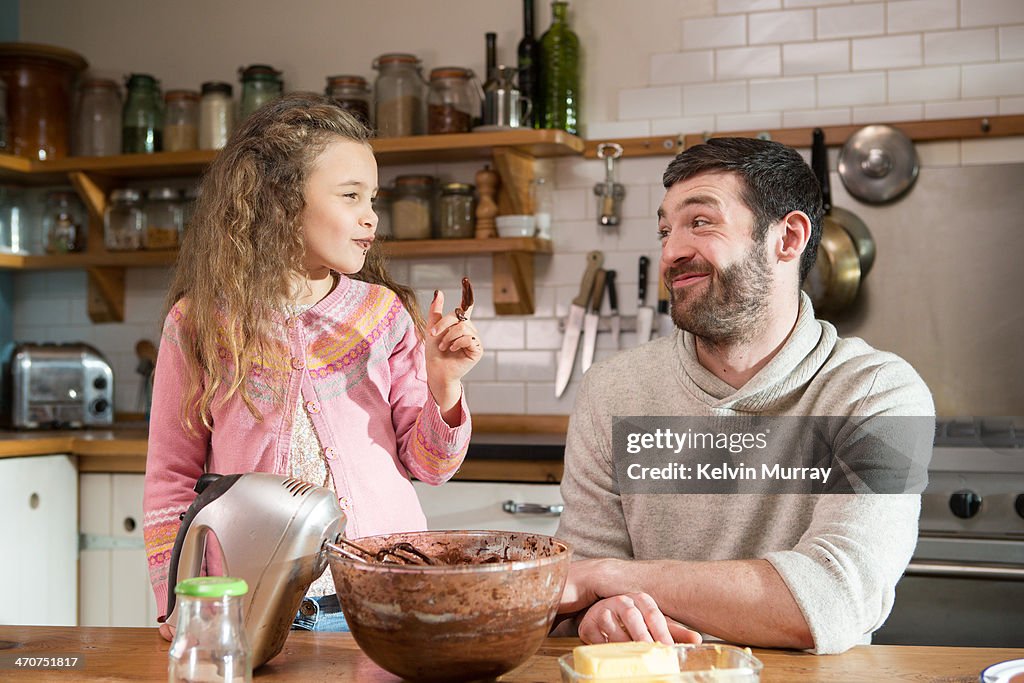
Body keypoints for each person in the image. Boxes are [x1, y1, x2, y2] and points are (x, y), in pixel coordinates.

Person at [554, 137, 934, 654]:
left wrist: (608, 576)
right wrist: (600, 613)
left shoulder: (877, 392)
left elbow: (838, 598)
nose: (671, 252)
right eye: (665, 230)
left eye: (701, 222)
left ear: (788, 237)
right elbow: (575, 594)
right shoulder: (612, 391)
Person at [143, 93, 483, 638]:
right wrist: (176, 599)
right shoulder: (199, 322)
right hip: (253, 608)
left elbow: (431, 467)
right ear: (279, 201)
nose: (371, 216)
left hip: (383, 599)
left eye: (373, 198)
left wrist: (444, 384)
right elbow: (171, 479)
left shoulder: (383, 313)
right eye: (350, 196)